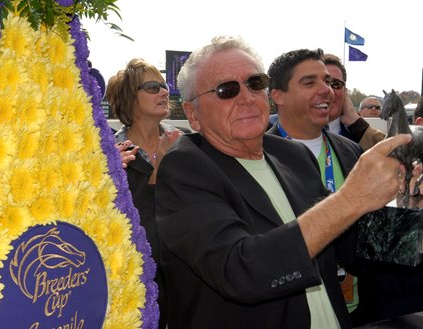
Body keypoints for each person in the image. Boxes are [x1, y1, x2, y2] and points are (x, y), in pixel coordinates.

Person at [155, 35, 411, 329]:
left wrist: (409, 206)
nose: (247, 97)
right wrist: (350, 198)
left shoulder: (292, 155)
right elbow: (241, 270)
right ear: (193, 115)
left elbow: (351, 249)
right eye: (227, 90)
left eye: (255, 83)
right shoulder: (184, 169)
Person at [265, 48, 363, 319]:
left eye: (329, 82)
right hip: (297, 314)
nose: (327, 91)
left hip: (357, 309)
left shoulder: (351, 152)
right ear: (278, 96)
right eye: (310, 83)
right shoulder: (258, 158)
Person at [106, 58, 183, 329]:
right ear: (129, 97)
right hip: (136, 280)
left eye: (163, 86)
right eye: (152, 87)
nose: (164, 92)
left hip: (184, 276)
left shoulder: (183, 142)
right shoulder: (111, 154)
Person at [322, 53, 385, 150]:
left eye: (336, 84)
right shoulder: (291, 134)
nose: (328, 90)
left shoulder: (359, 135)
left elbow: (399, 154)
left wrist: (356, 123)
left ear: (345, 92)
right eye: (324, 83)